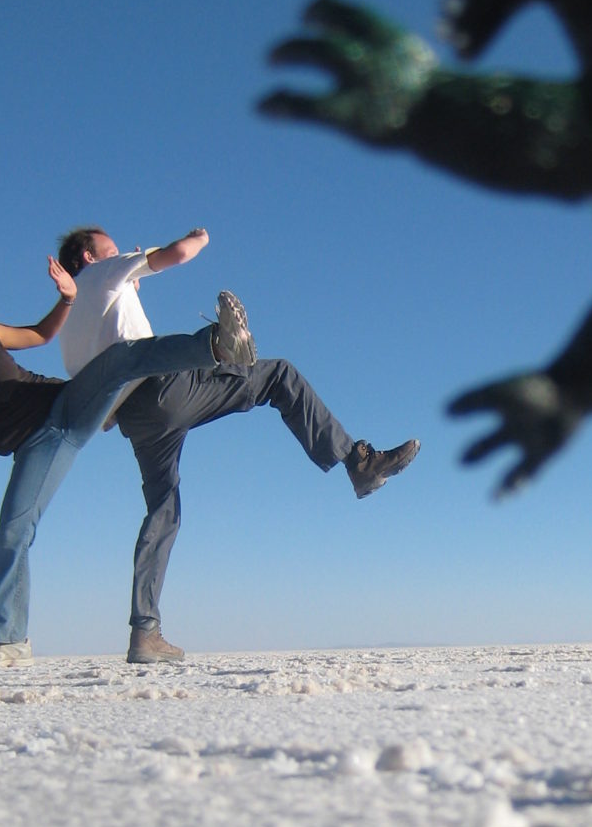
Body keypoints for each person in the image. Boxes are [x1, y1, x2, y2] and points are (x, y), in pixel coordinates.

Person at [54, 225, 420, 663]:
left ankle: (144, 632)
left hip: (136, 421)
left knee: (162, 511)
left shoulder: (70, 329)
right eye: (112, 249)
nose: (122, 251)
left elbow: (99, 404)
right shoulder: (104, 273)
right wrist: (200, 236)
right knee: (278, 375)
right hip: (163, 390)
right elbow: (177, 253)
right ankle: (355, 460)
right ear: (91, 259)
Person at [0, 261, 257, 667]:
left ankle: (218, 346)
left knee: (119, 360)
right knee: (12, 532)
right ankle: (10, 641)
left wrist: (66, 300)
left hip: (62, 408)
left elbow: (41, 334)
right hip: (34, 449)